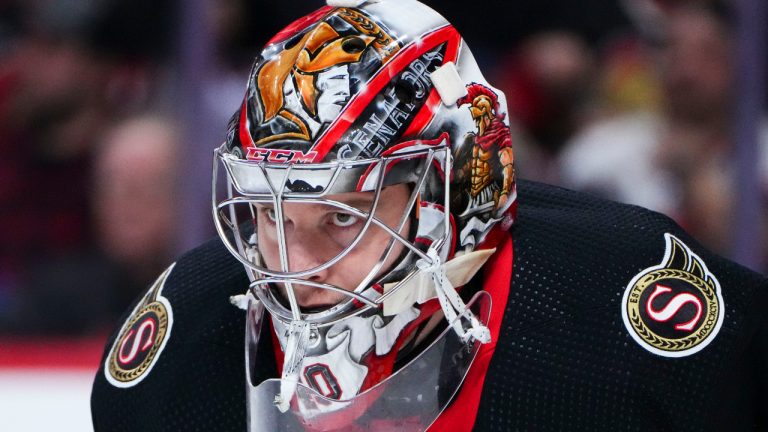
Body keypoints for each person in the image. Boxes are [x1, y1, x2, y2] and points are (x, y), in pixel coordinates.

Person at [91, 1, 767, 431]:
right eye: (270, 217)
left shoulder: (625, 316)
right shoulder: (184, 348)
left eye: (344, 217)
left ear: (455, 190)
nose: (293, 271)